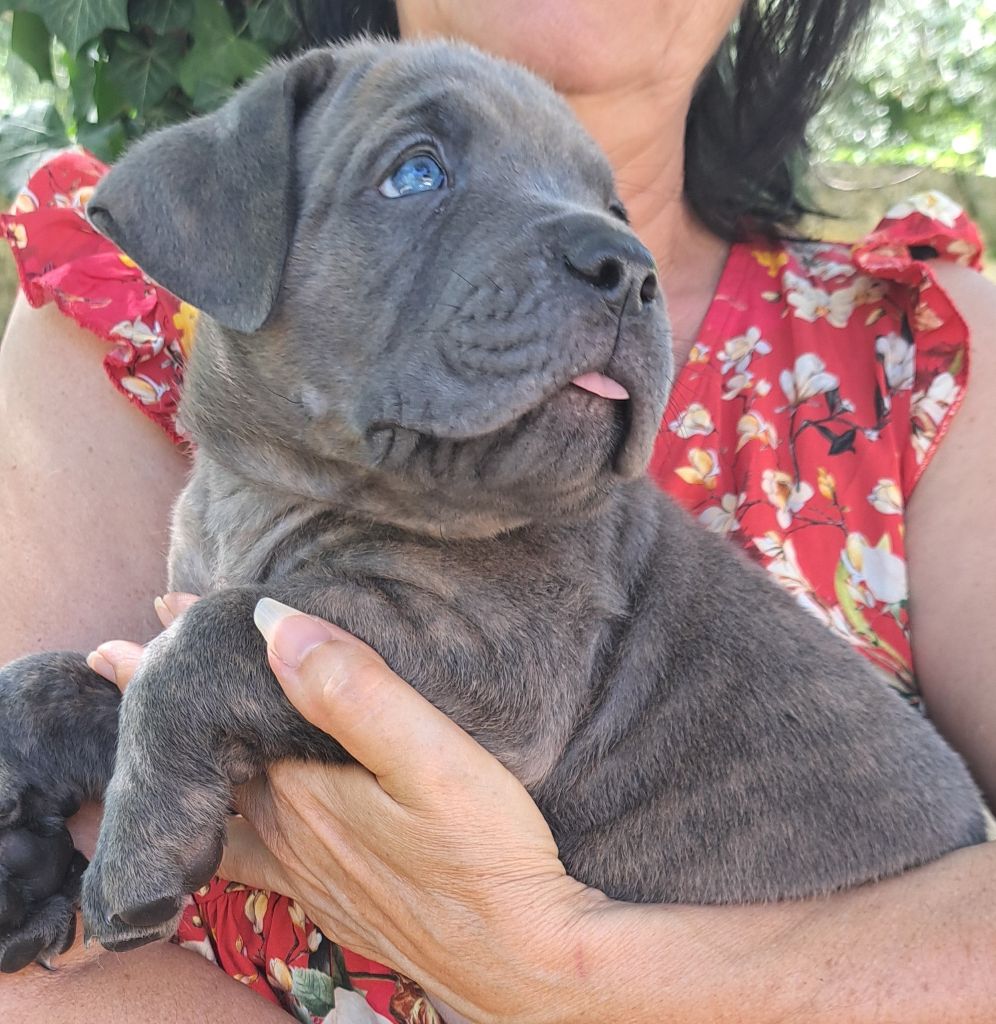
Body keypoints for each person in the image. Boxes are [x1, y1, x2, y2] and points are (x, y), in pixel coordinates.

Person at [1, 1, 995, 1021]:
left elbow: (485, 696)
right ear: (235, 234)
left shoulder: (916, 349)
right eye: (419, 173)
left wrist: (575, 974)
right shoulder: (115, 347)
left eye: (608, 221)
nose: (608, 260)